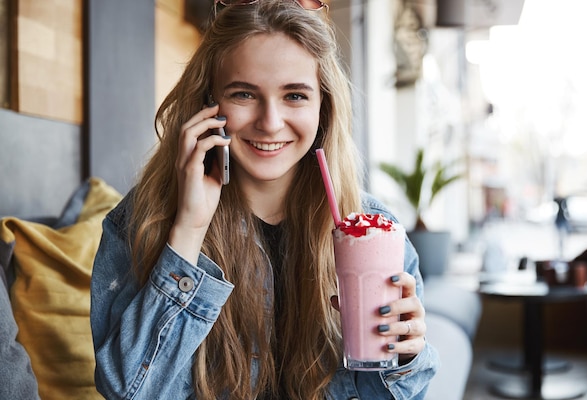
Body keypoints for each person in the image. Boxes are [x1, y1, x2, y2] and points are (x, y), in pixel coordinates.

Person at [90, 1, 439, 399]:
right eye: (244, 94)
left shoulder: (373, 230)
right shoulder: (143, 220)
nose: (270, 122)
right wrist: (188, 229)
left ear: (323, 107)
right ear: (209, 103)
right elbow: (126, 391)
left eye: (294, 96)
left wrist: (405, 357)